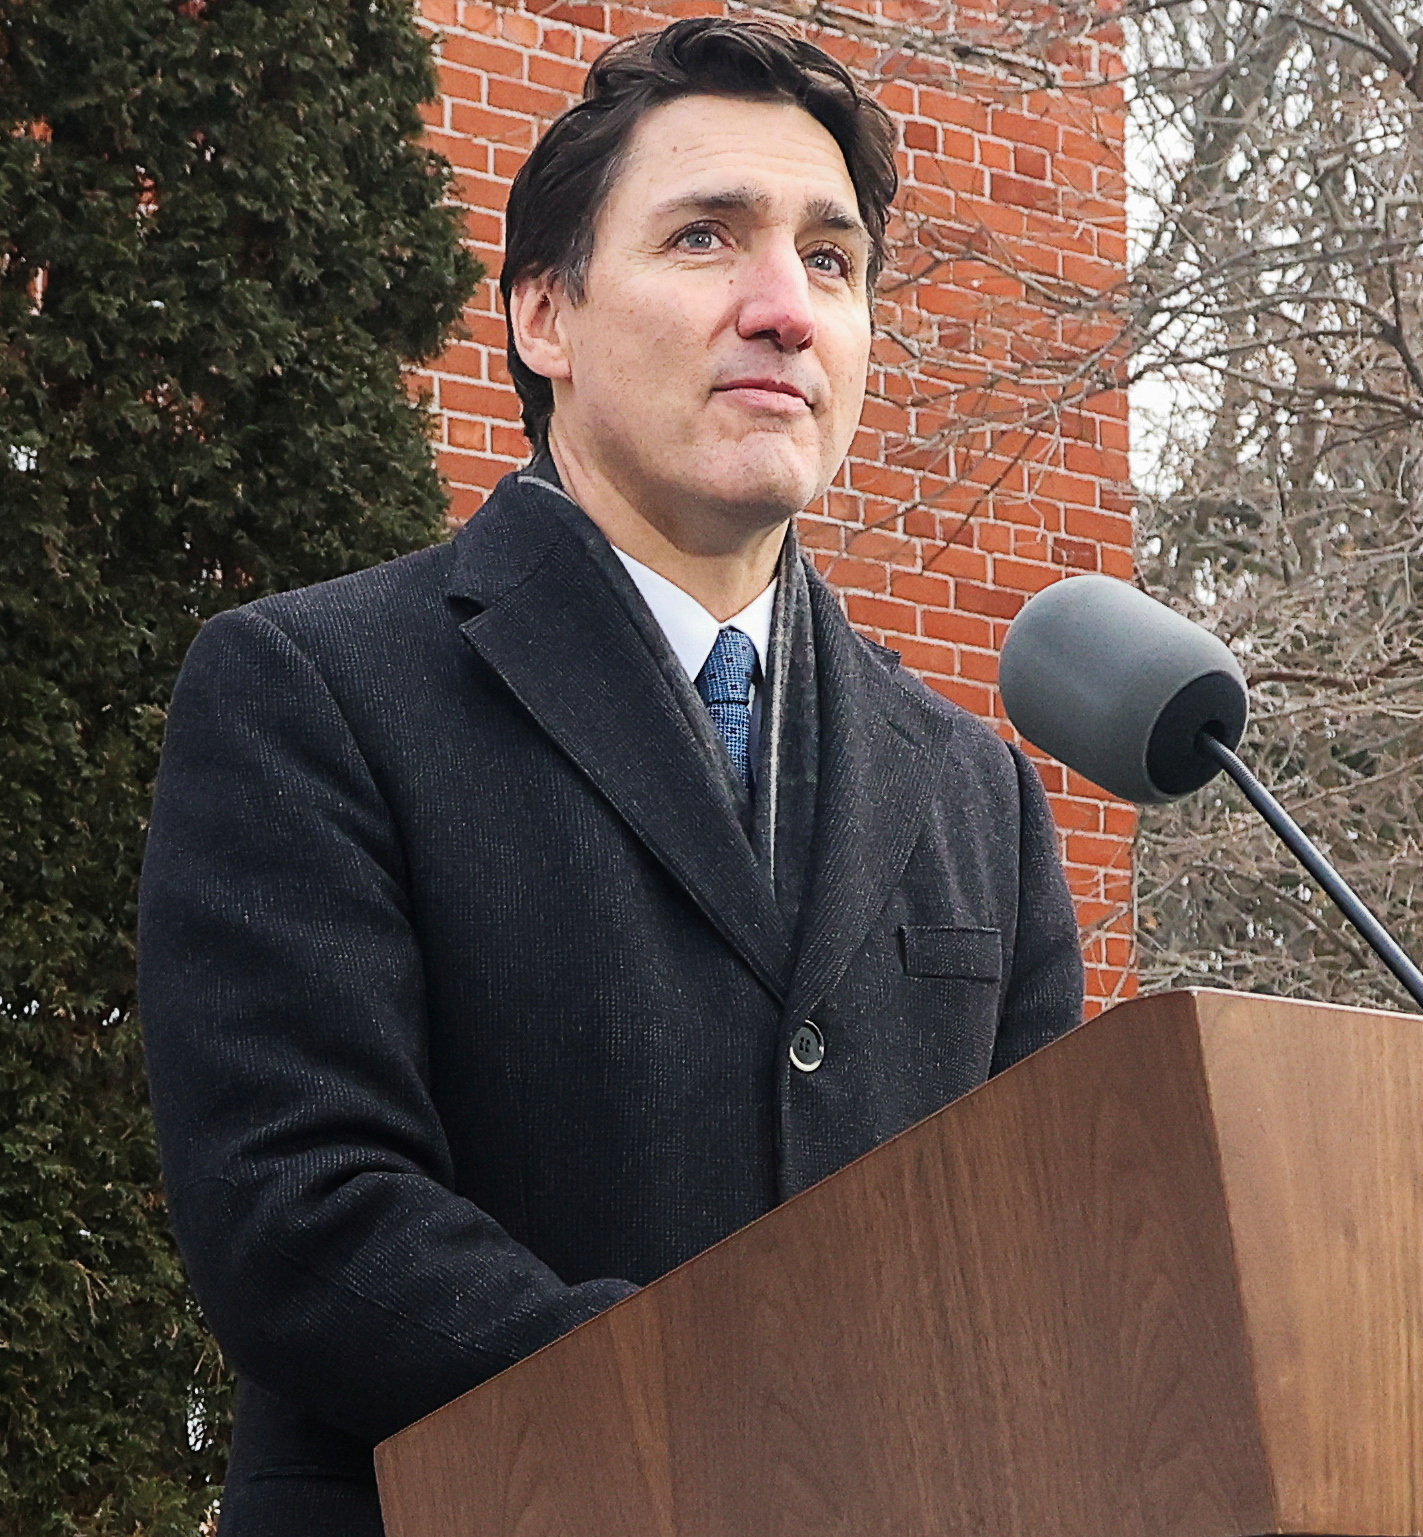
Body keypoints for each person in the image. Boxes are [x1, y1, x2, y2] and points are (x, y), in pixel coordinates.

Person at [137, 19, 1084, 1536]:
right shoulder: (312, 690)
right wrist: (737, 1436)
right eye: (706, 238)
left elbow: (1042, 1261)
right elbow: (302, 1212)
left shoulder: (978, 791)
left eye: (832, 262)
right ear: (544, 315)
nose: (785, 311)